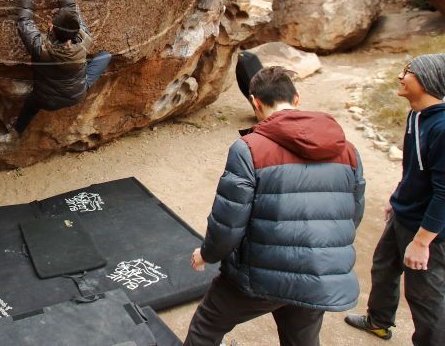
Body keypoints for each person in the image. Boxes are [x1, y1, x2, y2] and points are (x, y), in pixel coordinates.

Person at [185, 66, 366, 346]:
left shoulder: (249, 149)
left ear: (255, 102)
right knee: (302, 340)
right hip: (318, 271)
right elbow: (353, 214)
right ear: (296, 98)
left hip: (260, 274)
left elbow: (228, 224)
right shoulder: (348, 150)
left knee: (206, 326)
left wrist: (207, 254)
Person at [344, 53, 445, 345]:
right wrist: (399, 194)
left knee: (426, 296)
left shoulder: (441, 128)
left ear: (427, 81)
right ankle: (379, 321)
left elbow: (443, 193)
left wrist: (422, 242)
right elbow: (415, 166)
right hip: (405, 212)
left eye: (409, 72)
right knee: (384, 267)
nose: (401, 77)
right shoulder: (417, 115)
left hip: (428, 230)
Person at [6, 0, 111, 137]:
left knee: (30, 106)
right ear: (77, 30)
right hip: (76, 95)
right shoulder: (85, 40)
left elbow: (25, 20)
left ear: (50, 26)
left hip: (45, 100)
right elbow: (71, 7)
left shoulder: (40, 48)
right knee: (106, 56)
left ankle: (17, 131)